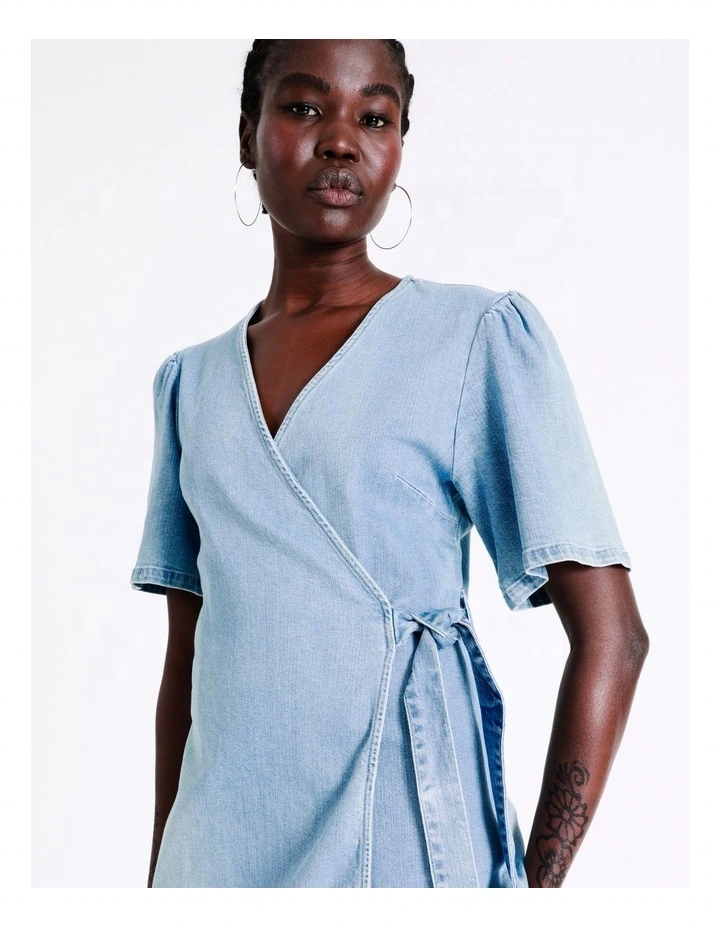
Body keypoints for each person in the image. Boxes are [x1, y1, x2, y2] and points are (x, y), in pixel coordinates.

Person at [130, 39, 649, 889]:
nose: (341, 139)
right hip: (218, 860)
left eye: (375, 117)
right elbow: (187, 668)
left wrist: (536, 891)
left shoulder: (475, 339)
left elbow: (614, 638)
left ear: (401, 143)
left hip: (402, 849)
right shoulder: (191, 385)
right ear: (247, 132)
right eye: (304, 107)